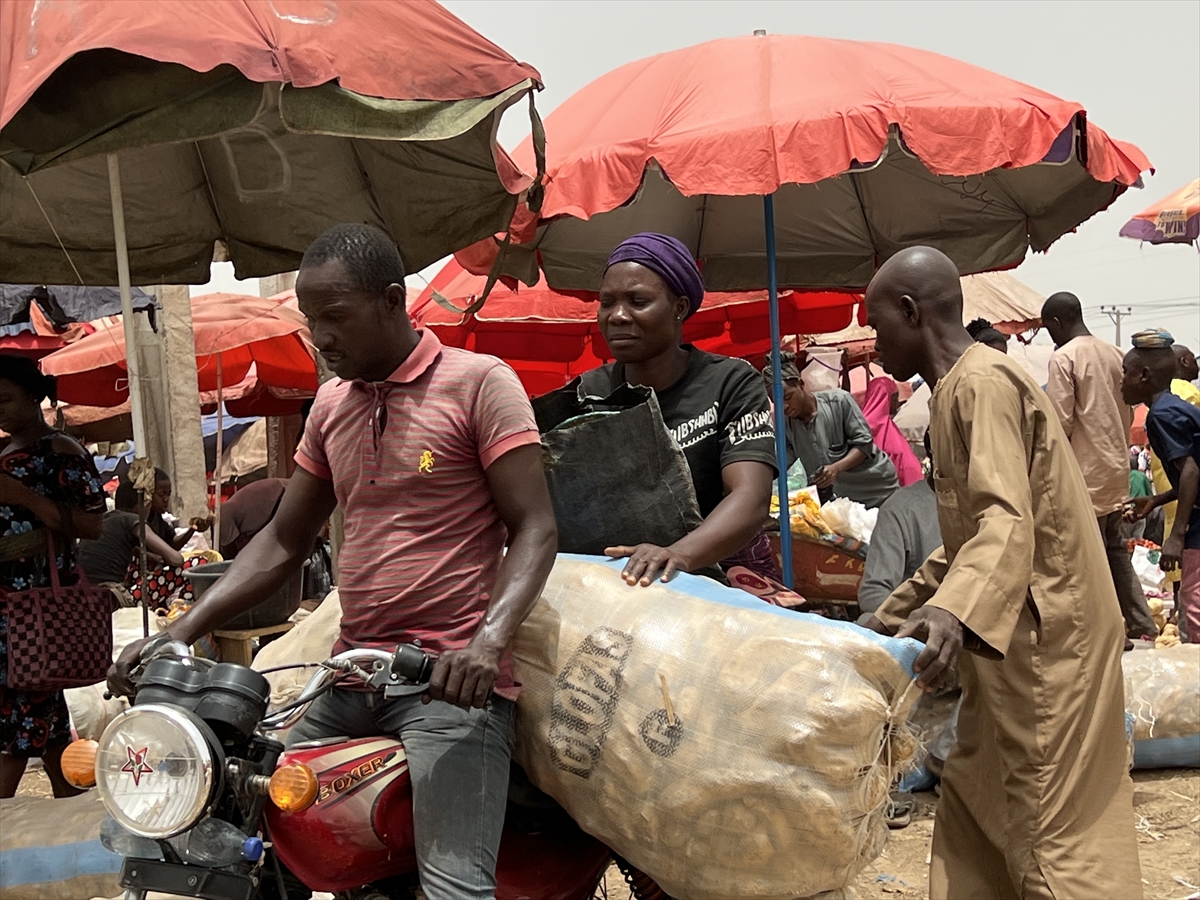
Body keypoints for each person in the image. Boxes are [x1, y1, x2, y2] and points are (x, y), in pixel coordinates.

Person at [110, 223, 557, 900]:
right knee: (241, 827)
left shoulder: (478, 385)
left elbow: (535, 527)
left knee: (453, 885)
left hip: (448, 684)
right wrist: (176, 631)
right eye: (312, 318)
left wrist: (486, 644)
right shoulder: (329, 407)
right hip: (348, 679)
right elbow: (284, 540)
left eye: (336, 317)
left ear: (391, 300)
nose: (320, 336)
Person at [861, 247, 1141, 900]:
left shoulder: (981, 384)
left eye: (878, 328)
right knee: (977, 797)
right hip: (1019, 631)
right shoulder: (960, 389)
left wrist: (952, 611)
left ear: (910, 313)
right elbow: (967, 534)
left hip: (1049, 640)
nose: (874, 349)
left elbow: (1005, 522)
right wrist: (889, 615)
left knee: (1043, 823)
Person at [577, 232, 778, 587]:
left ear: (680, 308)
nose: (618, 316)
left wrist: (678, 554)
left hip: (716, 576)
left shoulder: (730, 382)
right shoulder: (586, 393)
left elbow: (750, 495)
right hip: (616, 580)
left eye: (638, 301)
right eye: (607, 302)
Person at [0, 355, 105, 798]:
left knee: (17, 712)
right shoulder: (4, 449)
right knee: (42, 719)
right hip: (10, 604)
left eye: (4, 398)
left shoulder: (59, 450)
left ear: (32, 397)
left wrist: (26, 498)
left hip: (34, 604)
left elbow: (93, 523)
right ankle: (74, 821)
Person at [1042, 291, 1156, 640]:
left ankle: (1106, 634)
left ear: (1057, 323)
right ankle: (1141, 623)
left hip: (1082, 476)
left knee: (1082, 561)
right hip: (1115, 471)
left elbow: (1060, 422)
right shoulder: (1116, 354)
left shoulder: (1064, 358)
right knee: (1115, 551)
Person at [1122, 330, 1200, 645]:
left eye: (1126, 373)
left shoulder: (1162, 415)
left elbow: (1191, 470)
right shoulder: (1174, 407)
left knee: (1193, 610)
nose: (1121, 380)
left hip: (1196, 527)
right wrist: (1156, 501)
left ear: (1144, 376)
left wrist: (1176, 536)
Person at [775, 353, 899, 508]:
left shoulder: (839, 401)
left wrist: (836, 468)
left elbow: (864, 444)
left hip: (876, 489)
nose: (783, 406)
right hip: (841, 500)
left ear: (801, 384)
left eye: (787, 397)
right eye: (776, 401)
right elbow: (784, 462)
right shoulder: (785, 425)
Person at [78, 476, 184, 585]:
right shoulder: (133, 520)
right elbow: (177, 560)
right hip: (113, 593)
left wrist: (153, 557)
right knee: (190, 566)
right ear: (145, 504)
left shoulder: (107, 518)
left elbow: (126, 549)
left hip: (87, 591)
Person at [860, 377, 923, 487]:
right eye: (895, 396)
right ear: (886, 397)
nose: (897, 401)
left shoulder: (864, 426)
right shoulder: (879, 428)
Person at [218, 477, 288, 559]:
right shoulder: (225, 512)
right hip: (278, 495)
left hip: (281, 496)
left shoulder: (221, 519)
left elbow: (230, 555)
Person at [1127, 458, 1154, 542]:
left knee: (1125, 543)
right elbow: (1150, 495)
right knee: (1138, 541)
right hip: (1140, 512)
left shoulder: (1124, 476)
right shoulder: (1142, 476)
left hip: (1126, 512)